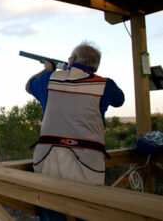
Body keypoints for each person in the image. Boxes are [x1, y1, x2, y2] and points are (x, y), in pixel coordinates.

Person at [26, 41, 125, 220]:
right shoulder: (105, 84)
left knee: (52, 213)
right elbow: (120, 100)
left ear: (72, 59)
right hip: (89, 165)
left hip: (50, 162)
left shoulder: (50, 79)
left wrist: (48, 69)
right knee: (88, 213)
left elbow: (29, 85)